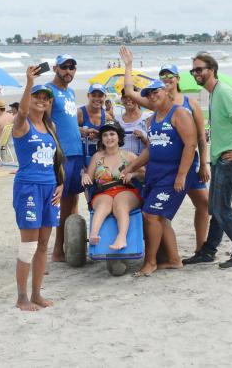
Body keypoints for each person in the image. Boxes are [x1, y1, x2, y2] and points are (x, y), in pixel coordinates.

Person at [119, 47, 210, 257]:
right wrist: (129, 66)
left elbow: (198, 139)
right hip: (166, 168)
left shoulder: (189, 103)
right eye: (163, 76)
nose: (166, 79)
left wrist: (203, 164)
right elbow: (131, 92)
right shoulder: (157, 103)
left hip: (190, 165)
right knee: (160, 212)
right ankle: (167, 253)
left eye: (170, 76)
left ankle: (201, 247)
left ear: (177, 79)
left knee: (203, 204)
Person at [122, 80, 199, 276]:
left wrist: (181, 175)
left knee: (151, 215)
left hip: (174, 174)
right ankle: (174, 260)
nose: (152, 96)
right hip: (156, 173)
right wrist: (131, 167)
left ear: (165, 91)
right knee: (161, 218)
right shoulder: (152, 119)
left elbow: (190, 145)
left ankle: (151, 262)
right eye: (148, 94)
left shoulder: (179, 113)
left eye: (155, 92)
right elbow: (151, 149)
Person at [187, 52, 232, 268]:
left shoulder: (223, 91)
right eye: (193, 70)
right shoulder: (213, 93)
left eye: (199, 69)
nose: (195, 73)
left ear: (212, 70)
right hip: (220, 161)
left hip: (229, 162)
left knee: (221, 209)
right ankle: (208, 251)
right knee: (217, 208)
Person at [11, 65, 64, 310]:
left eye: (45, 98)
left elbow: (56, 161)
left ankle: (36, 294)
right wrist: (30, 82)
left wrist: (61, 185)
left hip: (50, 190)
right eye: (37, 97)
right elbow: (21, 111)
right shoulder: (23, 125)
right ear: (30, 100)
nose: (42, 101)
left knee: (44, 244)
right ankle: (21, 298)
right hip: (29, 188)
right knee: (29, 245)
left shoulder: (49, 128)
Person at [45, 54, 85, 262]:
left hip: (76, 152)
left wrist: (82, 131)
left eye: (72, 67)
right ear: (55, 68)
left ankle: (69, 245)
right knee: (59, 202)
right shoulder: (49, 91)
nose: (68, 71)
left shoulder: (69, 93)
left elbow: (66, 123)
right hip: (62, 155)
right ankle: (57, 250)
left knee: (73, 201)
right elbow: (47, 122)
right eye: (64, 67)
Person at [81, 122, 144, 250]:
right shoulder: (97, 157)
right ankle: (93, 235)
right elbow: (89, 175)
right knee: (104, 203)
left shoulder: (129, 155)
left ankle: (121, 238)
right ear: (102, 139)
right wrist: (84, 176)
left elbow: (145, 175)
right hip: (103, 192)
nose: (109, 138)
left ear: (119, 137)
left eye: (112, 134)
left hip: (125, 190)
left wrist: (133, 174)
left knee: (120, 204)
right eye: (105, 135)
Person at [78, 83, 113, 166]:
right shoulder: (80, 112)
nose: (97, 98)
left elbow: (113, 137)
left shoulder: (107, 117)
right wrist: (82, 131)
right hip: (81, 157)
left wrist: (99, 136)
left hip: (101, 159)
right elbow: (70, 130)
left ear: (105, 97)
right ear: (88, 96)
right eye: (94, 95)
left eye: (100, 96)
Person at [118, 87, 150, 155]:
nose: (128, 99)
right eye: (125, 97)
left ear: (138, 99)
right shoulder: (117, 120)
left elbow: (155, 144)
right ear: (122, 99)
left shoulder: (147, 118)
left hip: (141, 163)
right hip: (121, 162)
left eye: (132, 97)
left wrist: (143, 136)